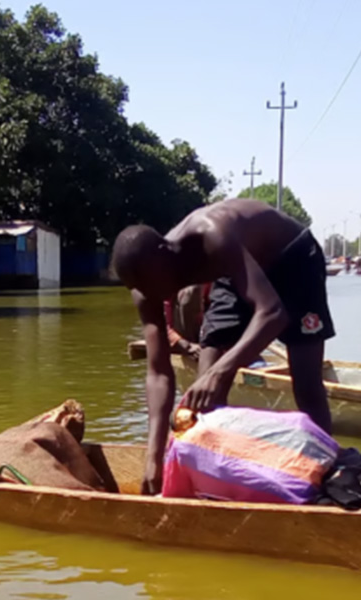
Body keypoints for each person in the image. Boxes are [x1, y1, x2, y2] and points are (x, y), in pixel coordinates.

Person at [112, 198, 335, 494]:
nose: (150, 294)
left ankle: (327, 476)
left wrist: (222, 371)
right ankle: (217, 478)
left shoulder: (212, 236)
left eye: (151, 283)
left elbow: (271, 314)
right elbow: (158, 373)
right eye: (140, 289)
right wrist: (152, 456)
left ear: (165, 254)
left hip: (292, 257)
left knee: (306, 384)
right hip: (236, 271)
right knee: (205, 400)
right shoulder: (144, 287)